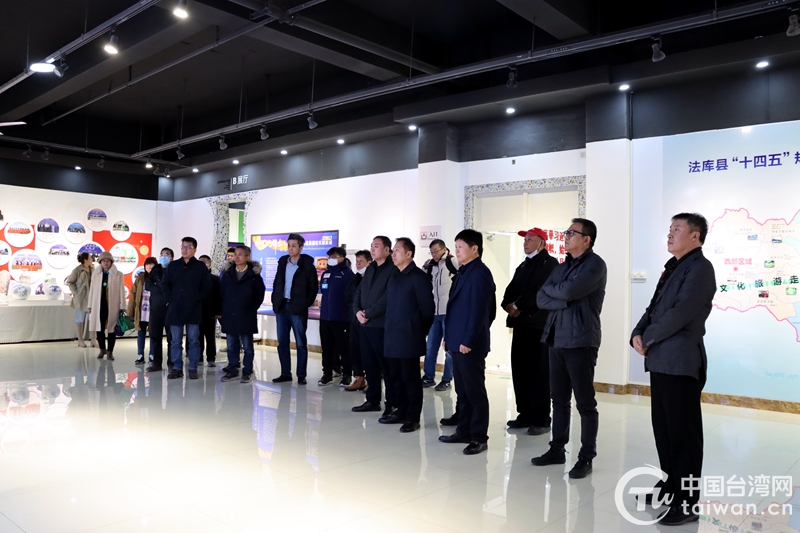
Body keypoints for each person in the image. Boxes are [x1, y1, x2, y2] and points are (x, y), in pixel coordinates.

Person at [631, 213, 716, 526]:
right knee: (665, 431)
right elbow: (653, 309)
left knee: (684, 436)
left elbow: (682, 312)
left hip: (681, 361)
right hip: (661, 360)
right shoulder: (673, 267)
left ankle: (688, 501)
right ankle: (670, 487)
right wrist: (637, 332)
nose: (669, 234)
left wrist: (649, 337)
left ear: (695, 236)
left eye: (677, 229)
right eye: (669, 229)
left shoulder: (701, 268)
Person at [532, 218, 606, 479]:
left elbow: (571, 289)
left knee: (585, 403)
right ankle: (557, 449)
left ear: (587, 239)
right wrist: (564, 298)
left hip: (581, 342)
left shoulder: (595, 264)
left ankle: (586, 456)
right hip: (556, 339)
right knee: (559, 400)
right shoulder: (563, 266)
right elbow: (541, 298)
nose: (566, 236)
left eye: (572, 233)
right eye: (566, 232)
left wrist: (562, 293)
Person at [438, 229, 496, 455]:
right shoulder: (464, 271)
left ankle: (479, 437)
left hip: (469, 344)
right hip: (457, 341)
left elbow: (481, 312)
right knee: (462, 391)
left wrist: (468, 340)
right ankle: (463, 430)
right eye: (456, 247)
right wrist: (448, 338)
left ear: (474, 249)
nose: (457, 251)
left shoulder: (481, 273)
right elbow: (455, 309)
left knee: (474, 392)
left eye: (460, 247)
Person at [501, 228, 558, 435]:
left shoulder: (550, 265)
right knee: (520, 371)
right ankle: (524, 414)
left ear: (541, 242)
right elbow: (510, 291)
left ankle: (541, 419)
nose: (525, 243)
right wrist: (508, 305)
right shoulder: (524, 265)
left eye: (530, 239)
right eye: (524, 240)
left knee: (538, 373)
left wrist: (517, 306)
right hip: (521, 326)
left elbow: (539, 293)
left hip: (539, 327)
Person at [382, 238, 434, 432]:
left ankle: (413, 417)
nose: (393, 254)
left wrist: (418, 330)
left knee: (410, 379)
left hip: (409, 336)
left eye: (397, 250)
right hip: (393, 335)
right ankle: (401, 411)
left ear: (409, 254)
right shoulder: (394, 276)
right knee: (396, 377)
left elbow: (427, 310)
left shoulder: (418, 277)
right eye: (393, 250)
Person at [351, 236, 395, 415]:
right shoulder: (370, 269)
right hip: (365, 325)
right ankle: (372, 400)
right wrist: (357, 311)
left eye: (376, 246)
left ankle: (392, 403)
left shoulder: (393, 269)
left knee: (387, 368)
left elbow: (388, 297)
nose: (373, 249)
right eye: (371, 246)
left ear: (387, 249)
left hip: (381, 325)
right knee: (369, 365)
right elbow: (359, 291)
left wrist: (368, 313)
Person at [270, 233, 319, 384]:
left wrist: (305, 303)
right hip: (282, 306)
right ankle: (285, 373)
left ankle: (301, 375)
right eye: (289, 245)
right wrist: (275, 300)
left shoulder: (307, 266)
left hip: (298, 307)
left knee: (300, 343)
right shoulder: (282, 262)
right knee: (282, 342)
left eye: (293, 246)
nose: (290, 248)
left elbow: (313, 288)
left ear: (300, 247)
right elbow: (277, 283)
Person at [161, 237, 212, 380]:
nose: (185, 249)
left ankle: (192, 367)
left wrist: (197, 298)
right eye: (183, 246)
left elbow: (206, 287)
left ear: (195, 249)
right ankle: (177, 367)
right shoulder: (173, 266)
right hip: (175, 308)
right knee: (175, 341)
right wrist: (170, 299)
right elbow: (165, 284)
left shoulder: (200, 267)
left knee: (194, 340)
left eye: (188, 247)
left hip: (193, 308)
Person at [220, 245, 266, 384]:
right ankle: (233, 369)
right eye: (235, 254)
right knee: (231, 345)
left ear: (247, 257)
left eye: (240, 254)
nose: (236, 257)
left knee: (247, 347)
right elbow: (222, 292)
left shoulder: (254, 276)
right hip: (230, 314)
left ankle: (247, 371)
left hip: (246, 315)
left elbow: (259, 295)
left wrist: (251, 307)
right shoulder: (228, 273)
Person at [421, 239, 459, 391]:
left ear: (444, 249)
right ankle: (428, 376)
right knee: (430, 346)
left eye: (436, 251)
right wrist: (424, 268)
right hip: (435, 313)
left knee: (449, 348)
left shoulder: (452, 262)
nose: (434, 254)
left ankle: (447, 379)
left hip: (449, 313)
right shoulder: (431, 265)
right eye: (432, 252)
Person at [319, 246, 354, 386]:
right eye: (330, 257)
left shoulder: (348, 274)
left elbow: (351, 296)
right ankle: (327, 373)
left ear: (342, 258)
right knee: (326, 348)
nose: (331, 259)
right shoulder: (326, 274)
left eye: (334, 257)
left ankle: (347, 374)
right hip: (325, 318)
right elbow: (324, 291)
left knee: (344, 348)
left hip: (342, 318)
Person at [87, 251, 126, 361]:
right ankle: (102, 349)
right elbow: (92, 290)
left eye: (108, 261)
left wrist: (122, 305)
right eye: (103, 261)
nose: (105, 263)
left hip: (112, 305)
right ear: (100, 262)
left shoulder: (118, 274)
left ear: (111, 262)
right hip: (98, 305)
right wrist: (90, 305)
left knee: (111, 329)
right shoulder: (95, 274)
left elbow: (121, 291)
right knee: (99, 328)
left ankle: (110, 352)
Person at [343, 250, 371, 391]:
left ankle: (372, 381)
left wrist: (366, 313)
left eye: (361, 261)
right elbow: (348, 298)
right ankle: (359, 378)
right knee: (355, 350)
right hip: (354, 320)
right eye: (357, 261)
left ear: (369, 262)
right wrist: (356, 312)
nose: (358, 264)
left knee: (370, 352)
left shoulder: (374, 278)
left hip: (369, 321)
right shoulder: (354, 279)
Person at [146, 247, 173, 372]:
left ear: (171, 257)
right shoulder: (156, 269)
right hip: (156, 308)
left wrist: (158, 285)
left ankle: (172, 363)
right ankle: (156, 363)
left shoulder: (175, 269)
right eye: (162, 254)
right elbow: (148, 285)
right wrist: (161, 287)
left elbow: (175, 287)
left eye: (167, 254)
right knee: (155, 337)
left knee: (172, 338)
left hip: (170, 308)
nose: (164, 257)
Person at [127, 257, 158, 365]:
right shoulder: (140, 278)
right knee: (141, 333)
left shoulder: (159, 277)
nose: (149, 266)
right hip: (141, 311)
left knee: (153, 334)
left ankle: (152, 355)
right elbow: (133, 294)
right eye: (147, 264)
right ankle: (140, 355)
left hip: (153, 311)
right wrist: (130, 311)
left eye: (152, 264)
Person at [65, 252, 94, 348]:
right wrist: (75, 292)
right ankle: (80, 340)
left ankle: (93, 340)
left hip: (91, 299)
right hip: (81, 299)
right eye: (90, 258)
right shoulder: (77, 270)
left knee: (92, 320)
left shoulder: (93, 269)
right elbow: (70, 282)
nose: (92, 259)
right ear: (85, 260)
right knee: (79, 320)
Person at [198, 254, 221, 367]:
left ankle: (211, 358)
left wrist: (218, 311)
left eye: (204, 263)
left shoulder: (215, 279)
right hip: (197, 312)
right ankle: (199, 357)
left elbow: (219, 296)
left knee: (210, 337)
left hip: (210, 313)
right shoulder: (194, 279)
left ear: (209, 265)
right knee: (197, 336)